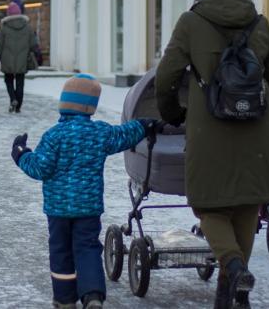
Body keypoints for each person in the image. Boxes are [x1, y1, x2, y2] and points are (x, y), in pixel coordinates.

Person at [155, 0, 269, 309]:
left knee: (209, 206)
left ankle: (231, 264)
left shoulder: (191, 21)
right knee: (245, 204)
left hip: (207, 129)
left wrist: (173, 112)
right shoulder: (259, 22)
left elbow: (166, 76)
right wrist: (253, 104)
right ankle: (233, 293)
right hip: (255, 131)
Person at [11, 74, 162, 309]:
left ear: (64, 103)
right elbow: (123, 135)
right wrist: (144, 125)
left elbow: (40, 167)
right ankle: (92, 296)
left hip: (58, 210)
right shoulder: (99, 133)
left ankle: (64, 300)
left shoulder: (53, 136)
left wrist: (21, 153)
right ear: (90, 107)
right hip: (88, 209)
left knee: (61, 252)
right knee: (87, 248)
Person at [0, 1, 36, 113]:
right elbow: (33, 43)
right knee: (20, 82)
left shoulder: (4, 27)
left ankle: (13, 99)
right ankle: (18, 106)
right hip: (22, 59)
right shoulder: (27, 27)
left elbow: (0, 44)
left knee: (8, 80)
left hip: (7, 59)